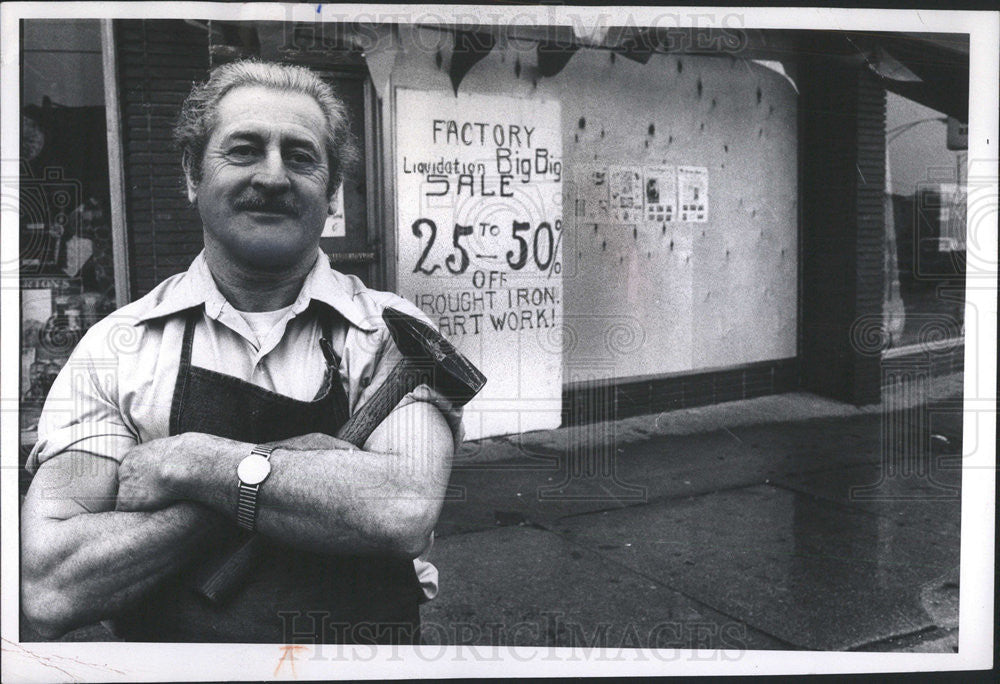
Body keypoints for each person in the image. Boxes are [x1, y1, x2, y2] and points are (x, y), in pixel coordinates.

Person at [20, 60, 462, 645]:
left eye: (301, 156)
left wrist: (195, 464)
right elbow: (52, 586)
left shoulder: (391, 334)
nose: (273, 176)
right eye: (245, 149)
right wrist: (297, 467)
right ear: (191, 175)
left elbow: (400, 508)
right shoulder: (117, 348)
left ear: (330, 193)